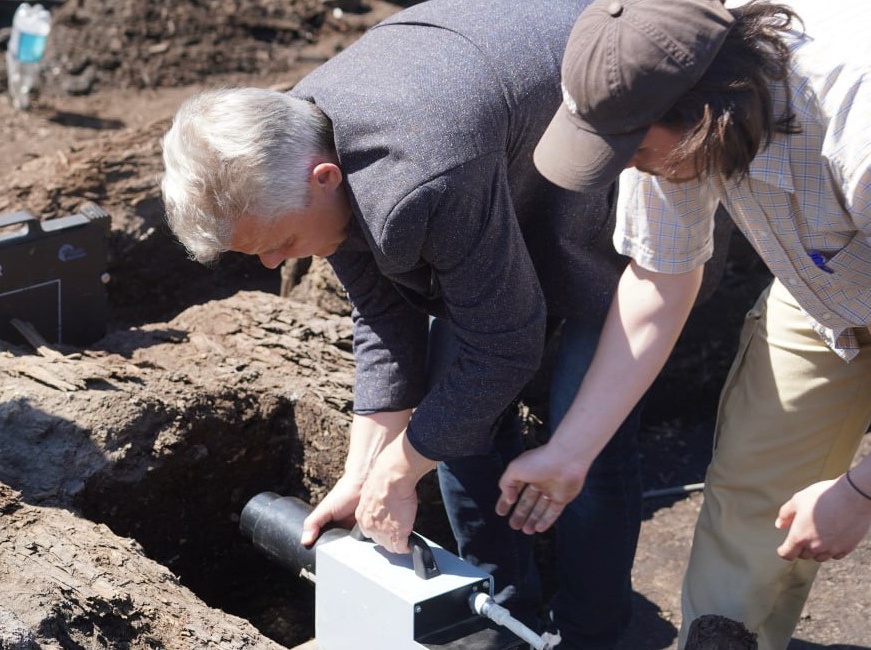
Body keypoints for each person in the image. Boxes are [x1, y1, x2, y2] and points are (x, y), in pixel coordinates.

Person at [160, 1, 653, 646]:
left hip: (615, 161)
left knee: (584, 431)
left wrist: (400, 468)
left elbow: (505, 345)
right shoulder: (295, 139)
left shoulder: (418, 176)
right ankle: (503, 616)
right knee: (457, 419)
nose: (273, 263)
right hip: (494, 158)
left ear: (325, 178)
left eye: (279, 242)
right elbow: (381, 312)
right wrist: (363, 470)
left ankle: (593, 633)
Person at [505, 0, 871, 648]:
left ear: (706, 116)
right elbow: (659, 281)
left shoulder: (854, 114)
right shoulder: (664, 98)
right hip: (829, 282)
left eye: (633, 149)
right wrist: (570, 451)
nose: (624, 165)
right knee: (755, 495)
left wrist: (859, 493)